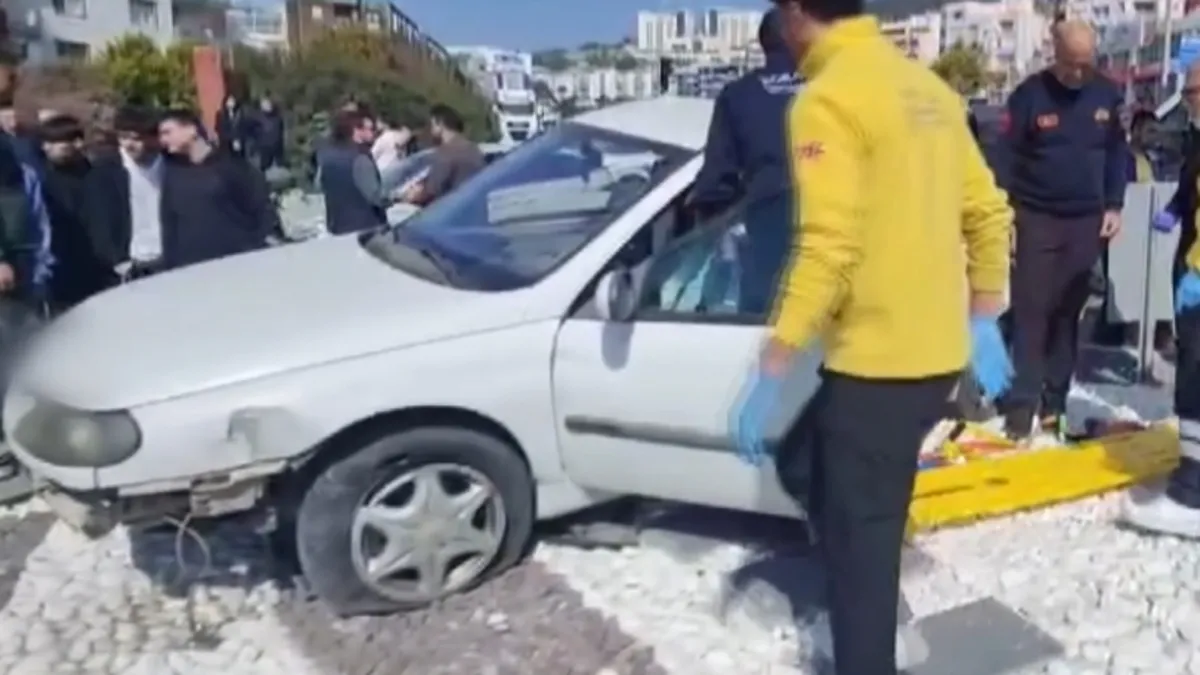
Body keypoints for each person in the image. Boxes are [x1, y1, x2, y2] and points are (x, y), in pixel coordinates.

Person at [731, 1, 1012, 673]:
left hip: (877, 369)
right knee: (805, 464)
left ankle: (871, 643)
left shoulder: (826, 100)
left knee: (862, 553)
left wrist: (773, 364)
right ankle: (868, 578)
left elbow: (828, 248)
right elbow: (988, 212)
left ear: (798, 14)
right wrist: (983, 316)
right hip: (934, 358)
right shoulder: (931, 89)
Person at [1000, 20, 1127, 443]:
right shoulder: (1029, 96)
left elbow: (1116, 153)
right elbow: (1005, 157)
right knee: (1031, 314)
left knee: (1066, 316)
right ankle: (1021, 408)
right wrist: (1005, 215)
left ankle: (1054, 406)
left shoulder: (1106, 94)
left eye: (1087, 64)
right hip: (1035, 217)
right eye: (1072, 64)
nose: (1079, 73)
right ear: (1055, 53)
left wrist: (1114, 204)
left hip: (1085, 221)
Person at [1122, 60, 1200, 538]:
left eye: (1193, 92)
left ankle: (1192, 495)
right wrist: (1173, 214)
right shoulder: (1196, 138)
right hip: (1191, 259)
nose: (1188, 101)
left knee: (1195, 381)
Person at [690, 8, 801, 314]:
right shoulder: (841, 90)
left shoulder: (737, 97)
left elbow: (714, 188)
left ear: (763, 44)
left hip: (770, 264)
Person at [157, 109, 277, 270]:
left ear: (191, 129)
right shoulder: (173, 175)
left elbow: (261, 207)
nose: (163, 139)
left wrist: (257, 246)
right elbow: (169, 226)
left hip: (237, 262)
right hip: (190, 269)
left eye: (168, 132)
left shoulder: (230, 166)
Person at [84, 105, 164, 283]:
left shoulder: (169, 166)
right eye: (123, 137)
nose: (129, 145)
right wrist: (116, 260)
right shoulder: (105, 172)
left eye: (136, 138)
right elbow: (100, 221)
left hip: (167, 257)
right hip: (131, 265)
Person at [38, 114, 108, 311]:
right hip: (62, 271)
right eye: (45, 143)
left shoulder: (99, 175)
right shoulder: (42, 182)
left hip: (101, 267)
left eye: (55, 142)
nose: (47, 148)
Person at [319, 108, 386, 235]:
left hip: (337, 226)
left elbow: (320, 184)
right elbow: (375, 196)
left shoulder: (327, 155)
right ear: (357, 130)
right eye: (370, 129)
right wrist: (397, 197)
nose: (374, 133)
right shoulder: (360, 157)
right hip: (366, 228)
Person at [400, 105, 484, 206]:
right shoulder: (473, 148)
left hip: (451, 210)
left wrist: (411, 196)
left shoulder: (447, 152)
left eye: (432, 124)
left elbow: (432, 189)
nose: (431, 129)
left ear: (440, 124)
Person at [215, 94, 254, 158]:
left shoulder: (240, 113)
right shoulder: (220, 114)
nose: (231, 103)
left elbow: (243, 127)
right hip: (227, 143)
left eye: (232, 101)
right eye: (229, 101)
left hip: (240, 142)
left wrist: (239, 139)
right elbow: (219, 129)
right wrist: (231, 139)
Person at [255, 96, 285, 172]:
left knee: (279, 168)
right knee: (264, 168)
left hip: (276, 146)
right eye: (265, 105)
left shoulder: (277, 118)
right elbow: (255, 132)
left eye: (268, 104)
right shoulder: (258, 118)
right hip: (264, 147)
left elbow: (281, 132)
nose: (267, 106)